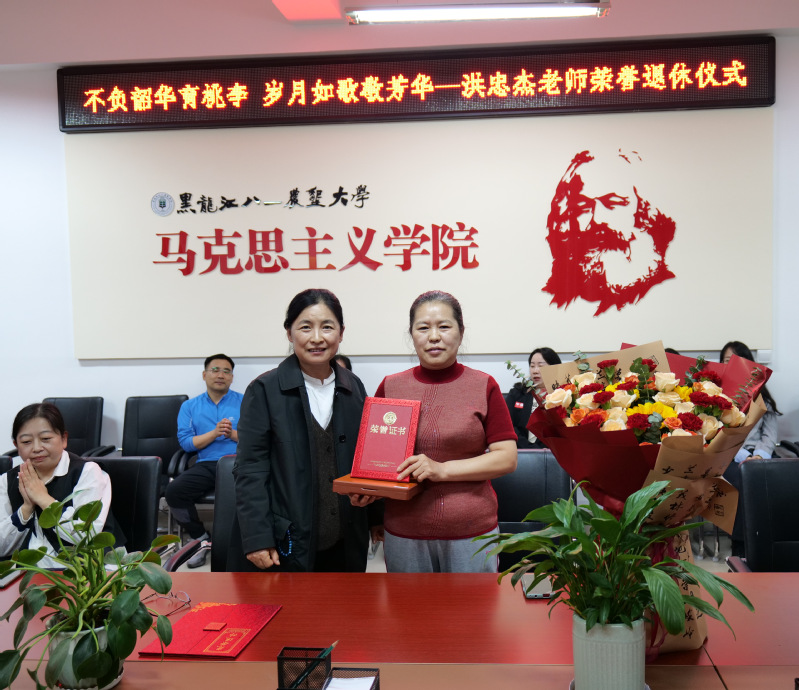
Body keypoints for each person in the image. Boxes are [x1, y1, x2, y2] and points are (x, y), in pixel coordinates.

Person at [233, 289, 381, 572]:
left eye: (327, 327)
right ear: (289, 333)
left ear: (341, 333)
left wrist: (376, 516)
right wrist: (257, 537)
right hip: (288, 538)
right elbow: (250, 468)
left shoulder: (354, 387)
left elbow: (366, 457)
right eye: (305, 327)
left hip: (346, 534)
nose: (316, 338)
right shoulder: (264, 390)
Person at [374, 290, 517, 573]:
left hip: (472, 532)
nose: (434, 336)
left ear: (461, 333)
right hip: (404, 531)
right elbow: (376, 457)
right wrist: (368, 493)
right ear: (411, 334)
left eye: (444, 326)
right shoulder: (390, 387)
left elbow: (506, 458)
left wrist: (442, 470)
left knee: (474, 604)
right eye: (423, 328)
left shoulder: (483, 385)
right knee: (409, 604)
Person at [543, 149, 677, 316]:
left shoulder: (670, 300)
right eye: (582, 206)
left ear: (645, 213)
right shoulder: (556, 305)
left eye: (612, 204)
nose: (596, 219)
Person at [0, 403, 123, 568]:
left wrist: (43, 498)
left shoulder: (88, 472)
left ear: (63, 439)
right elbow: (2, 548)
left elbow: (87, 535)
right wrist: (26, 508)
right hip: (27, 572)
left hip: (87, 571)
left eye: (46, 439)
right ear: (16, 445)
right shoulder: (7, 480)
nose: (36, 448)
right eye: (26, 441)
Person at [167, 353, 243, 568]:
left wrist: (232, 434)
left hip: (238, 462)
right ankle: (201, 539)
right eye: (215, 370)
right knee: (174, 492)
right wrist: (215, 433)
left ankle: (240, 543)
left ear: (232, 377)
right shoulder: (190, 406)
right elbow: (187, 444)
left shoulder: (246, 401)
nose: (221, 375)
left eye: (226, 371)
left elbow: (259, 438)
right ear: (204, 374)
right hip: (207, 464)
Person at [719, 340, 782, 558]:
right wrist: (745, 456)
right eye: (727, 361)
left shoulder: (762, 395)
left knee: (777, 478)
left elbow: (770, 434)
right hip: (731, 456)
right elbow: (720, 435)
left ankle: (773, 540)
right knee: (744, 480)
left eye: (738, 360)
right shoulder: (718, 396)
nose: (732, 365)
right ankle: (741, 545)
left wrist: (759, 456)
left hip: (762, 455)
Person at [505, 347, 562, 449]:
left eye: (540, 366)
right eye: (532, 366)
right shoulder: (517, 393)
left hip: (551, 452)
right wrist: (529, 449)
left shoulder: (563, 396)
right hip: (519, 451)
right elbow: (507, 425)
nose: (535, 371)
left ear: (554, 368)